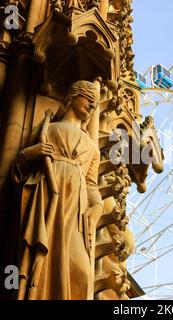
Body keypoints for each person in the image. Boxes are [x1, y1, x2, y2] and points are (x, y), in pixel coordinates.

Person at [13, 80, 103, 300]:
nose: (91, 107)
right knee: (40, 262)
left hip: (77, 207)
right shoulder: (48, 128)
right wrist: (32, 153)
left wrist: (98, 206)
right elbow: (17, 168)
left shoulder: (92, 147)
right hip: (46, 195)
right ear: (73, 96)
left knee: (81, 270)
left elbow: (91, 183)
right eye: (89, 100)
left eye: (95, 105)